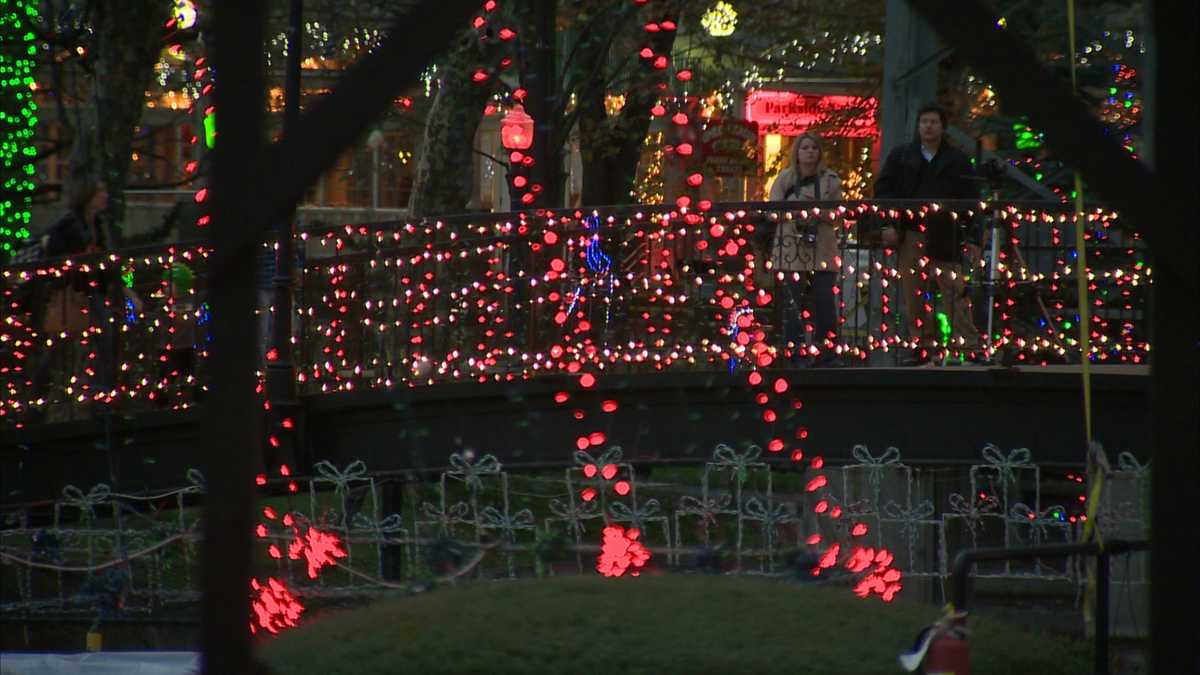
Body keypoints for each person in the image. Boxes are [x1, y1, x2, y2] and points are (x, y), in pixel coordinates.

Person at [874, 103, 985, 365]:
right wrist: (888, 224)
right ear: (918, 125)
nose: (928, 126)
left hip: (947, 232)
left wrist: (972, 236)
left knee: (955, 291)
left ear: (942, 126)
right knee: (914, 293)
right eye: (924, 121)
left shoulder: (957, 160)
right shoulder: (901, 157)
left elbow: (971, 199)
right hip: (912, 232)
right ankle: (923, 345)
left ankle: (967, 345)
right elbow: (884, 192)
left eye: (933, 122)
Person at [767, 132, 845, 367]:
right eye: (805, 148)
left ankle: (827, 353)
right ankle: (794, 353)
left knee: (824, 302)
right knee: (794, 304)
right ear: (797, 153)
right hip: (792, 247)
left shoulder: (831, 180)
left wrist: (819, 215)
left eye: (814, 148)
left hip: (821, 248)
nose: (810, 152)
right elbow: (773, 210)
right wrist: (798, 213)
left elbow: (838, 215)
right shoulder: (785, 179)